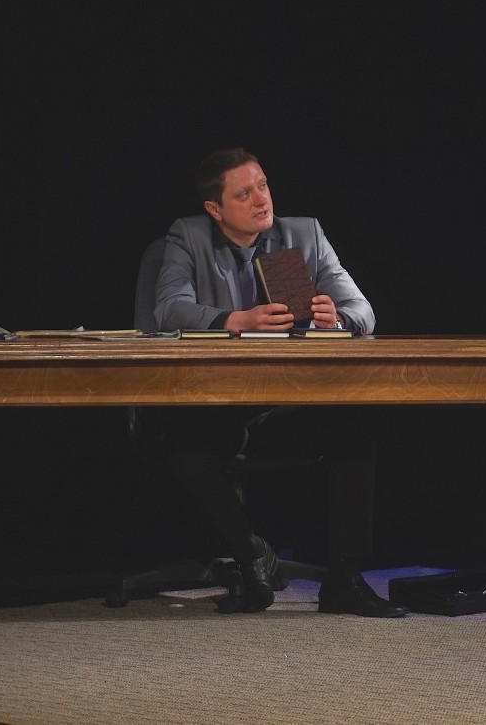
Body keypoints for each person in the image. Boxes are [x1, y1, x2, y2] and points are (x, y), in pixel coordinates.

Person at [147, 146, 407, 617]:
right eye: (244, 194)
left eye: (262, 185)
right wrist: (236, 320)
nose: (261, 199)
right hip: (217, 405)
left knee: (358, 418)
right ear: (215, 209)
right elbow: (167, 309)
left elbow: (363, 311)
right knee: (182, 445)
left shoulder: (304, 234)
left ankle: (344, 580)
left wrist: (337, 320)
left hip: (285, 404)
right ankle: (252, 555)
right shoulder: (190, 236)